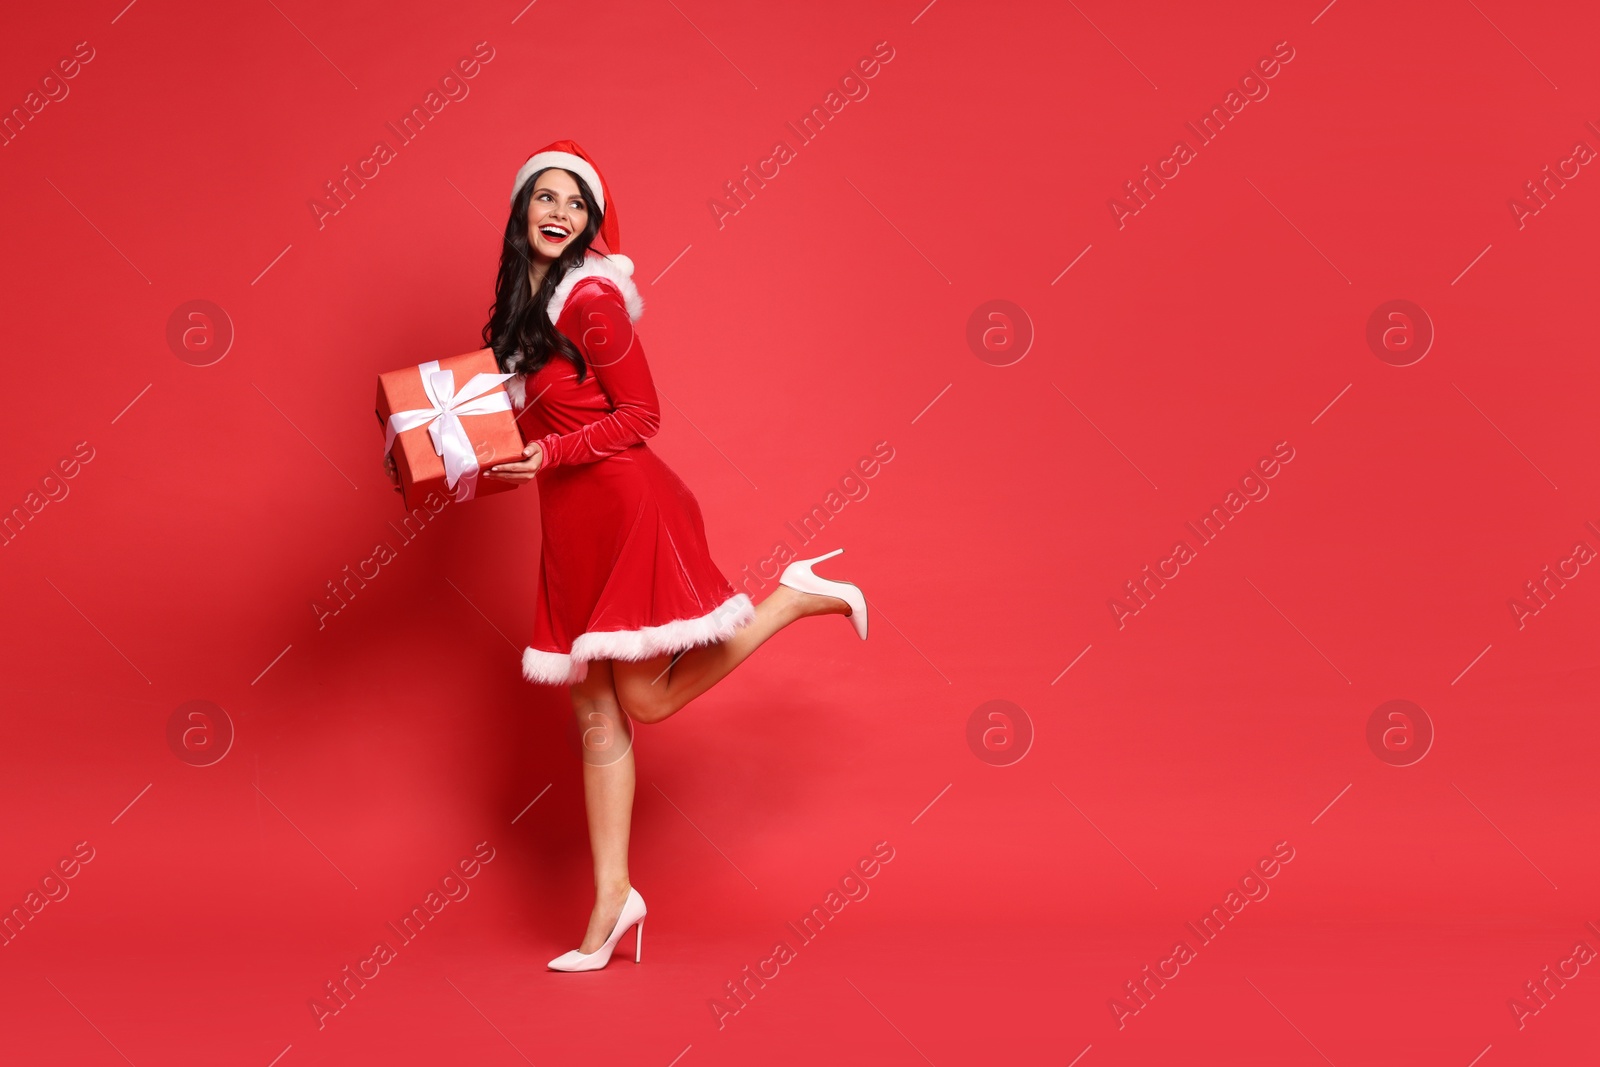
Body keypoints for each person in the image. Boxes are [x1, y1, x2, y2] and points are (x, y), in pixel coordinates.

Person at [475, 141, 867, 971]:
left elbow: (642, 416)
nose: (560, 213)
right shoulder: (525, 308)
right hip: (570, 522)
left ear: (591, 223)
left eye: (577, 204)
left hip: (626, 506)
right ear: (522, 211)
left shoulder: (590, 301)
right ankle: (613, 898)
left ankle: (791, 598)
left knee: (641, 704)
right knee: (593, 714)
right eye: (546, 197)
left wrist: (545, 457)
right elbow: (535, 426)